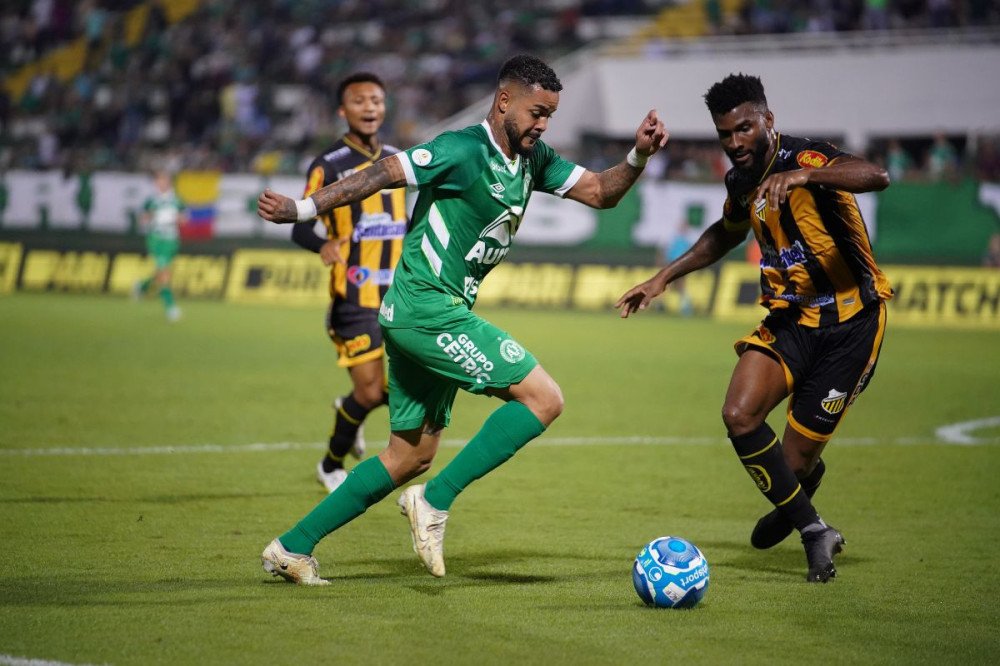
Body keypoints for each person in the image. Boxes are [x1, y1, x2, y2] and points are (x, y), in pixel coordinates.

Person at [256, 54, 667, 584]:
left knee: (408, 456)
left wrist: (637, 154)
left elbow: (600, 192)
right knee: (544, 398)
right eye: (536, 112)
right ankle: (435, 502)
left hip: (426, 314)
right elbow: (383, 173)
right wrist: (304, 210)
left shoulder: (533, 159)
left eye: (550, 115)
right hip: (426, 307)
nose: (542, 124)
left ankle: (291, 547)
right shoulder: (460, 148)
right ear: (504, 101)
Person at [616, 73, 891, 583]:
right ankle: (814, 530)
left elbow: (876, 176)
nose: (736, 141)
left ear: (768, 119)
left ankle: (799, 487)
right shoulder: (740, 181)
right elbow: (725, 232)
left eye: (744, 128)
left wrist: (807, 178)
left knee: (792, 462)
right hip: (789, 319)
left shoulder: (808, 158)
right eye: (726, 134)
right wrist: (663, 277)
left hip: (851, 325)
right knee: (738, 415)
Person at [290, 73, 408, 493]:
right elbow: (300, 226)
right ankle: (330, 463)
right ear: (343, 110)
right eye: (359, 101)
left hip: (399, 297)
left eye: (376, 99)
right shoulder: (328, 165)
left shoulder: (398, 160)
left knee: (390, 391)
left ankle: (349, 410)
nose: (370, 107)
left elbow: (403, 223)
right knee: (375, 389)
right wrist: (322, 245)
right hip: (353, 300)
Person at [133, 170, 184, 322]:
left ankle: (142, 286)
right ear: (156, 183)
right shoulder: (151, 201)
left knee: (161, 272)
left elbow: (184, 220)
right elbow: (142, 219)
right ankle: (171, 307)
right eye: (159, 181)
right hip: (156, 239)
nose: (162, 183)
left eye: (165, 180)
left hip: (171, 240)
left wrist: (175, 218)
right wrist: (153, 216)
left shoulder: (177, 201)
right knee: (164, 273)